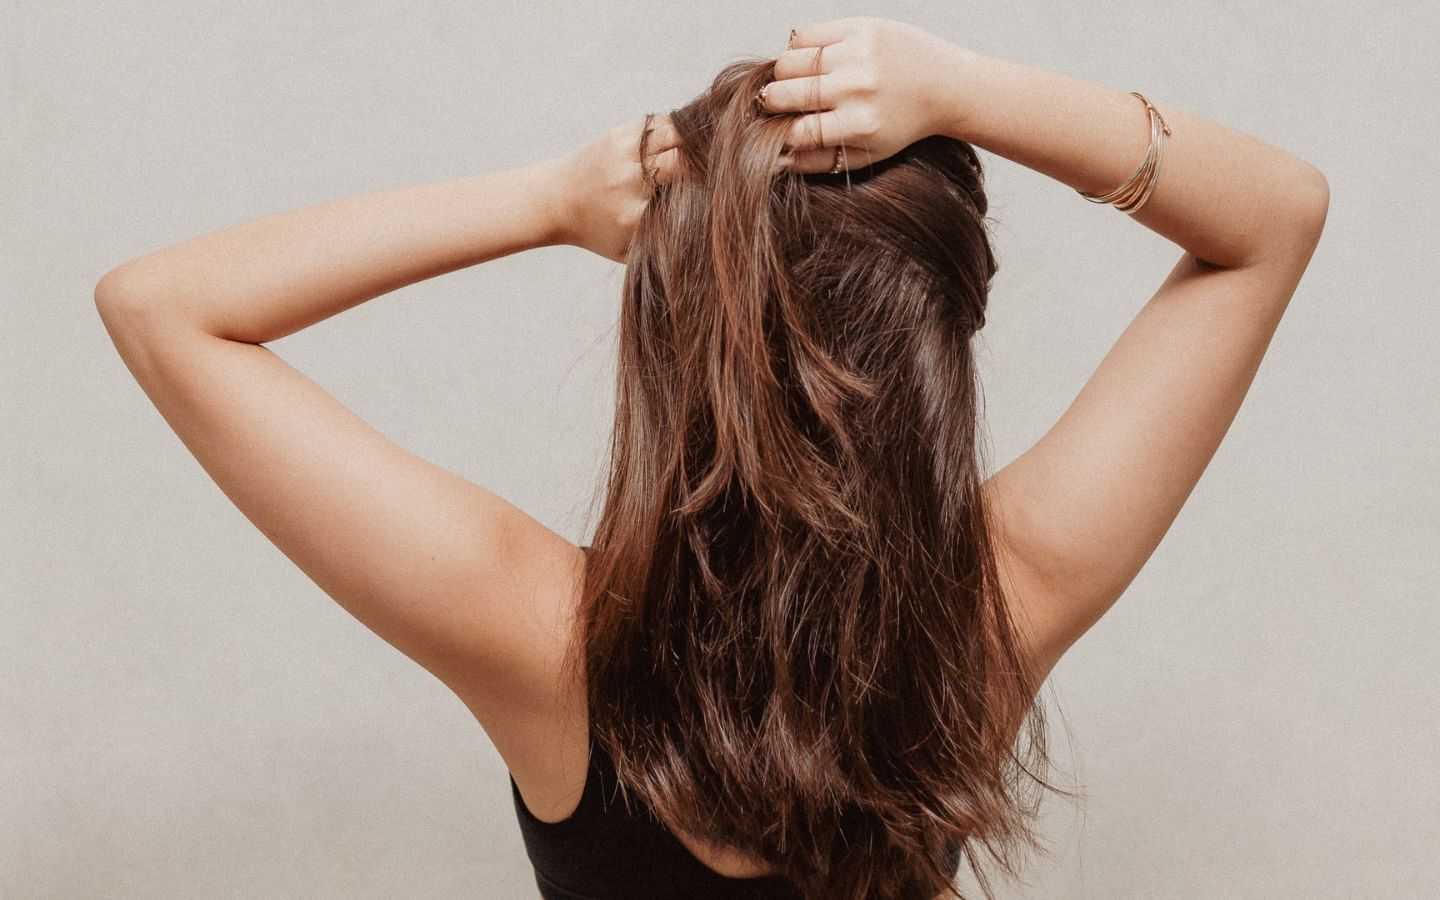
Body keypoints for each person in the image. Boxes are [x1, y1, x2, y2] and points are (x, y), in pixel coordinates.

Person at [93, 15, 1329, 900]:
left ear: (671, 336)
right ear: (933, 356)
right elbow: (1275, 218)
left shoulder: (543, 642)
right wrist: (963, 88)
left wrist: (547, 199)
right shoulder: (995, 607)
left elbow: (162, 309)